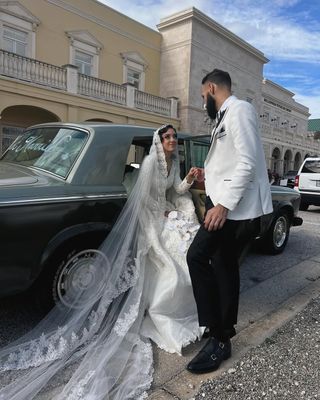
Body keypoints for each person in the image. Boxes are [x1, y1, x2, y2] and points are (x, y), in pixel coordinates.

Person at [0, 124, 202, 399]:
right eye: (166, 137)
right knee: (172, 248)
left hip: (162, 210)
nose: (171, 141)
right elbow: (142, 201)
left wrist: (189, 180)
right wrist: (162, 216)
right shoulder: (148, 164)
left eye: (174, 137)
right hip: (148, 215)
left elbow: (175, 188)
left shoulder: (174, 162)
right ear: (158, 141)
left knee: (179, 240)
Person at [186, 69, 273, 374]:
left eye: (202, 96)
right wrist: (206, 173)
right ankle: (221, 334)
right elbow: (231, 161)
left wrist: (222, 205)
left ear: (210, 87)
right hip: (221, 200)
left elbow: (249, 162)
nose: (203, 102)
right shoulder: (225, 115)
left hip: (230, 207)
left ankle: (218, 336)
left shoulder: (240, 110)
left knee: (196, 256)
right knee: (223, 265)